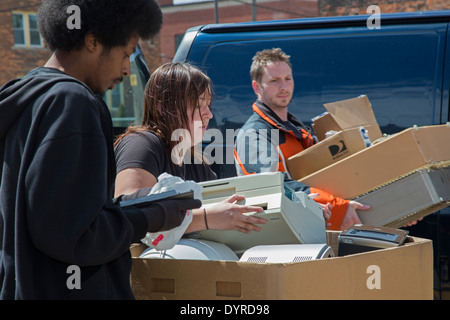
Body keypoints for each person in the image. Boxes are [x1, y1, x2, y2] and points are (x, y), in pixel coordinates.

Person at [0, 0, 201, 300]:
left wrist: (134, 204)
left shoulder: (24, 95)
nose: (124, 70)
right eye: (125, 53)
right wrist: (153, 217)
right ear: (93, 40)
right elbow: (74, 235)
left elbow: (51, 209)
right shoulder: (73, 102)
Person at [114, 62, 276, 234]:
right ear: (163, 107)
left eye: (208, 104)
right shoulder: (142, 144)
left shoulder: (195, 162)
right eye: (198, 105)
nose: (209, 114)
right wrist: (206, 218)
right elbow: (128, 213)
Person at [234, 48, 370, 230]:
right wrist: (338, 208)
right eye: (274, 81)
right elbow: (268, 186)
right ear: (257, 87)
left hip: (313, 225)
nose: (283, 87)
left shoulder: (298, 132)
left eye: (288, 79)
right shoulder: (254, 134)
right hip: (279, 234)